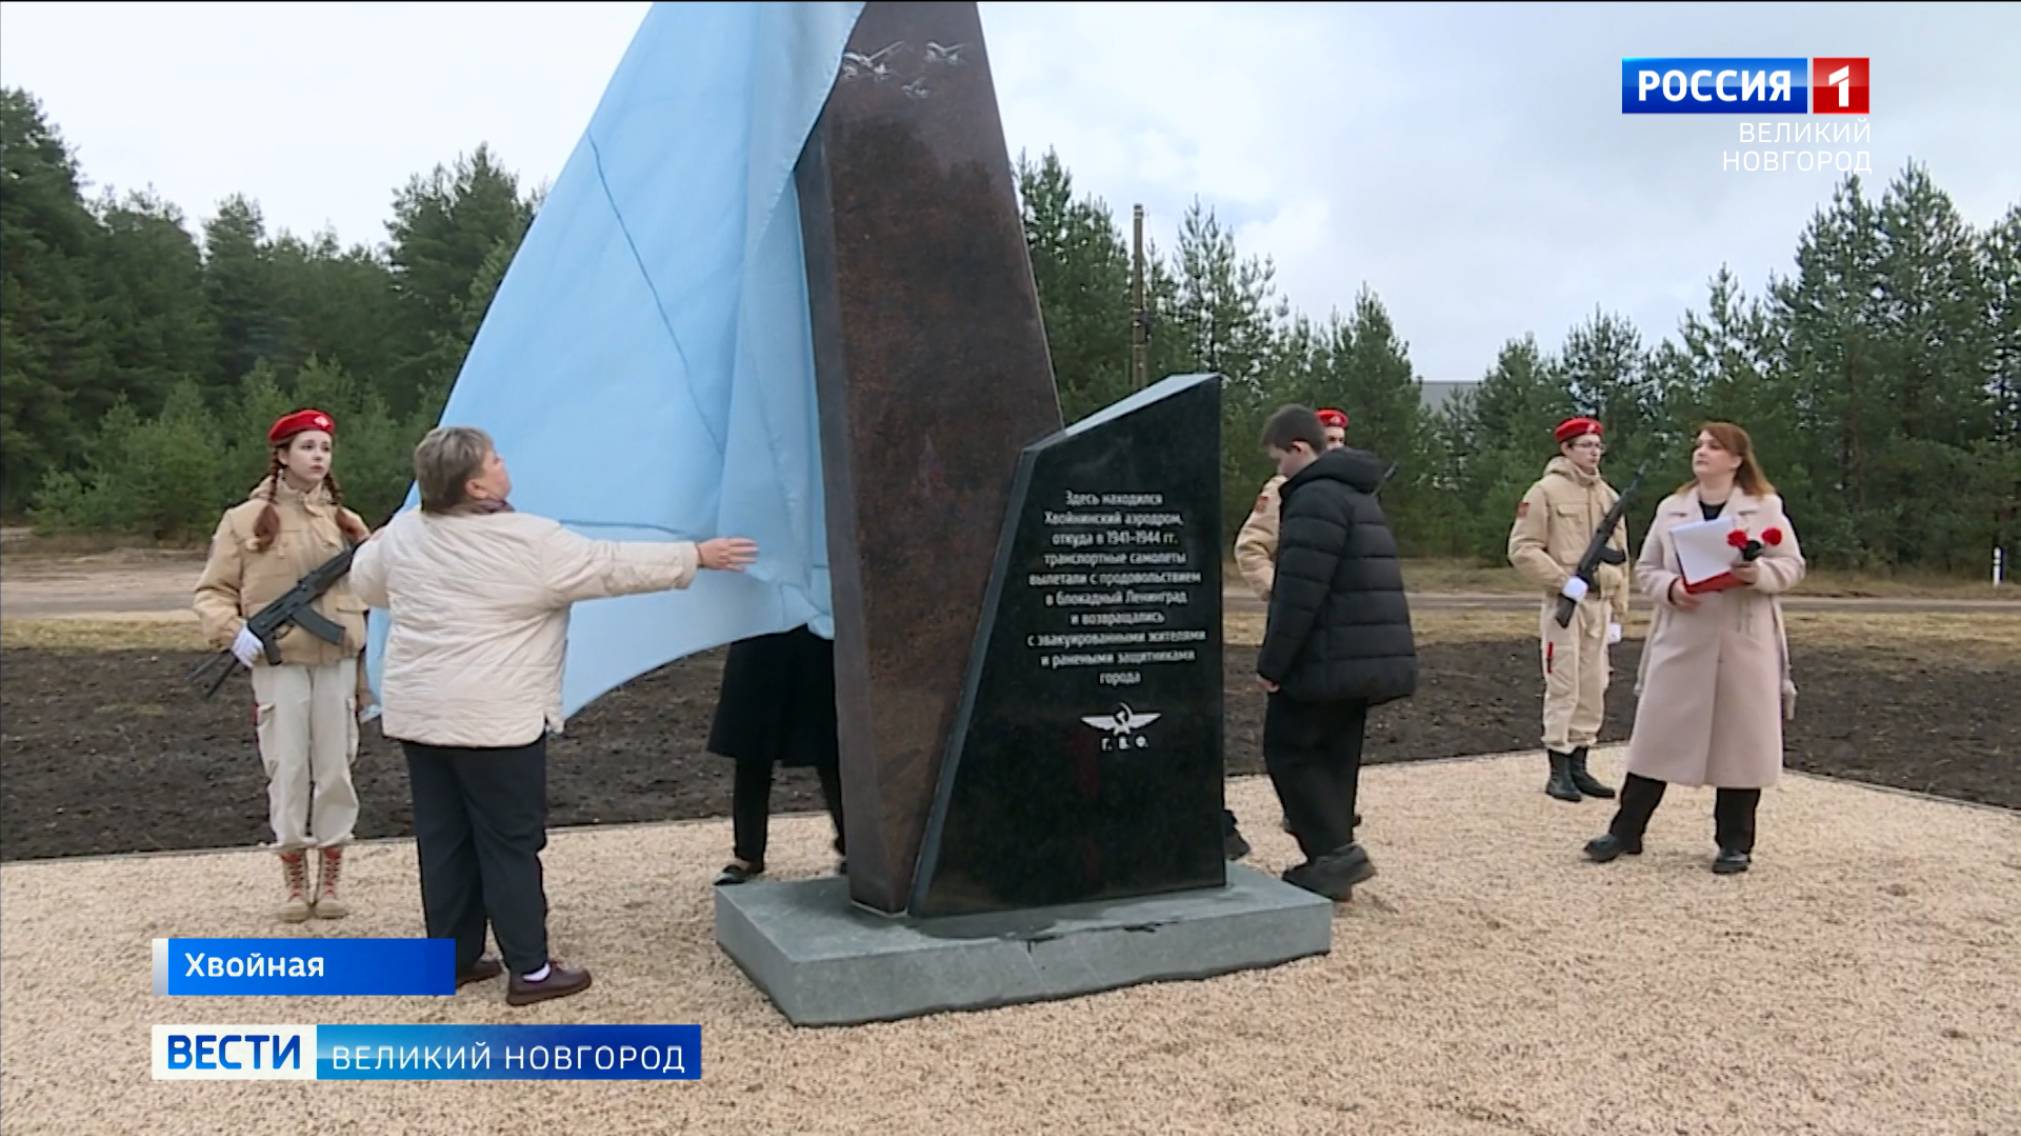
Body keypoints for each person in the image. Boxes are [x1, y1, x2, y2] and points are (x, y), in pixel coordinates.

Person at [350, 426, 758, 1005]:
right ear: (475, 486)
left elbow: (367, 584)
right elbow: (611, 565)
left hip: (420, 716)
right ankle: (531, 970)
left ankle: (452, 960)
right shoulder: (530, 542)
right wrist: (696, 555)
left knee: (444, 840)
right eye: (494, 459)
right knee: (509, 843)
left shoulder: (402, 535)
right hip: (496, 721)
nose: (503, 463)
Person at [1584, 422, 1804, 875]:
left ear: (1736, 459)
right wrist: (1671, 588)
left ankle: (1735, 843)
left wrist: (1758, 575)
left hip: (1742, 640)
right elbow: (1646, 568)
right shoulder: (1672, 508)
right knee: (1655, 738)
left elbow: (1791, 565)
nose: (1701, 452)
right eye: (1699, 445)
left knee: (1740, 745)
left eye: (1714, 446)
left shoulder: (1764, 507)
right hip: (1682, 637)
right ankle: (1626, 831)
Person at [193, 408, 371, 923]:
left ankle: (330, 875)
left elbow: (373, 596)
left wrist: (367, 679)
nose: (318, 457)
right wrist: (233, 632)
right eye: (308, 447)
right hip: (281, 662)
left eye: (325, 449)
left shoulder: (346, 521)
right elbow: (212, 591)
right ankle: (294, 877)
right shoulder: (244, 520)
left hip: (337, 661)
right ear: (282, 455)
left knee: (335, 769)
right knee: (288, 767)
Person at [1254, 405, 1417, 900]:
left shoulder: (1312, 496)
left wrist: (1272, 664)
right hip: (1363, 651)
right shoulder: (1354, 492)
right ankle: (1331, 867)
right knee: (1335, 757)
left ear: (1299, 448)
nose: (1279, 470)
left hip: (1326, 653)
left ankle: (1335, 855)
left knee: (1287, 750)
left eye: (1280, 458)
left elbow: (1299, 591)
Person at [1227, 407, 1350, 860]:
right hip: (1300, 620)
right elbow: (1251, 547)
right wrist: (1281, 593)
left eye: (1341, 441)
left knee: (1339, 734)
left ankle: (1333, 819)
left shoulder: (1348, 488)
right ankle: (1310, 818)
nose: (1335, 448)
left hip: (1340, 629)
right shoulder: (1282, 489)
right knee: (1296, 735)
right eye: (1329, 440)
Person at [1507, 416, 1631, 802]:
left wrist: (1619, 611)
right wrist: (1563, 581)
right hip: (1566, 604)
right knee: (1564, 684)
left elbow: (1622, 557)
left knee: (1595, 686)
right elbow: (1522, 548)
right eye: (1585, 445)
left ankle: (1580, 763)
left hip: (1599, 604)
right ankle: (1558, 768)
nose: (1594, 452)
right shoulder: (1544, 492)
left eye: (1597, 446)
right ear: (1566, 449)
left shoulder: (1608, 496)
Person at [709, 625, 847, 885]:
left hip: (815, 635)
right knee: (751, 751)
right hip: (759, 632)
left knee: (830, 749)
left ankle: (853, 847)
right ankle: (747, 853)